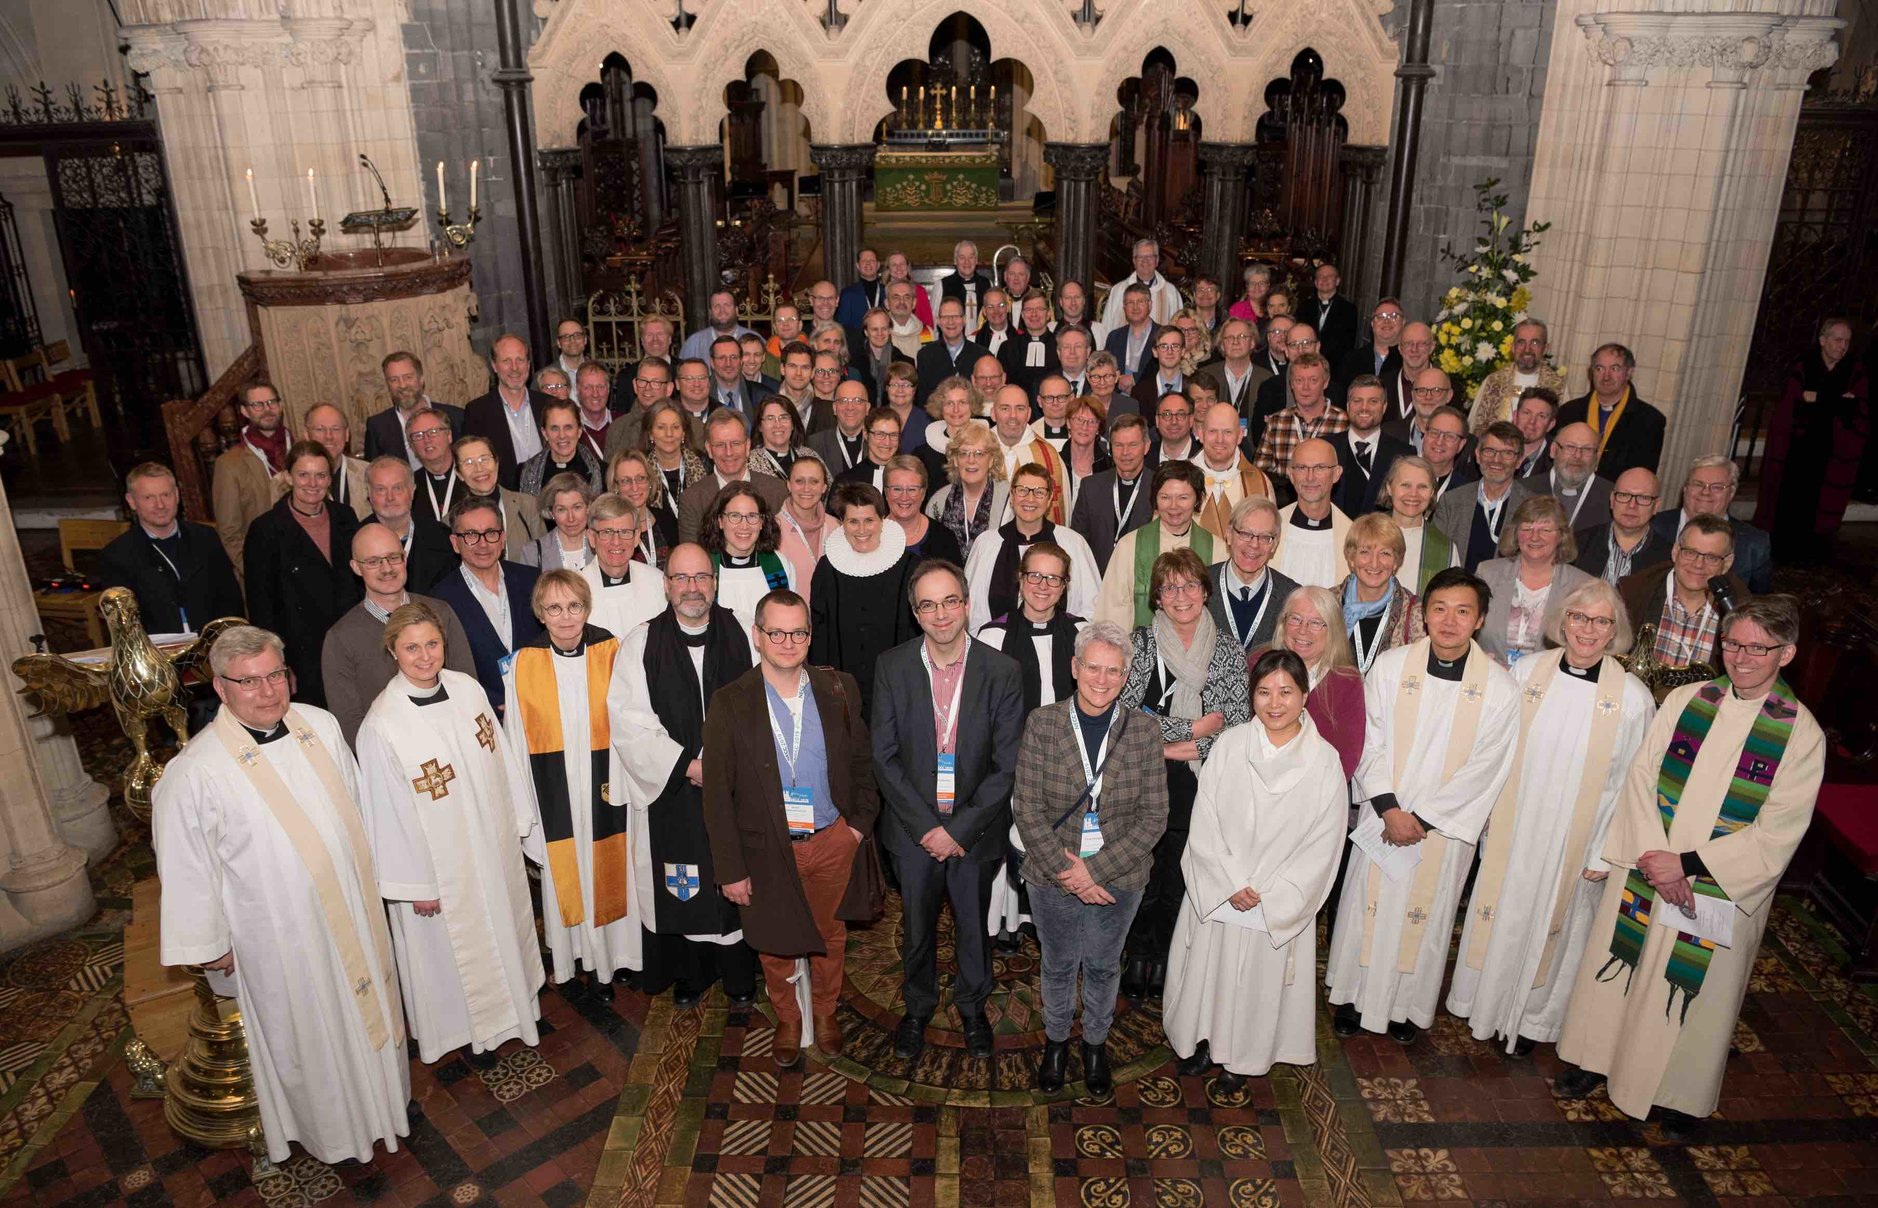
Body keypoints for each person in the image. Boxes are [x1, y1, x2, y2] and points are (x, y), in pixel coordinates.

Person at [1554, 595, 1824, 1133]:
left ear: (1786, 653)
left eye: (1757, 648)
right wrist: (1656, 857)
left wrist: (1689, 865)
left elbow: (1779, 829)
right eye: (1732, 644)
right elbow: (1642, 776)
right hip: (1650, 867)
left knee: (1693, 993)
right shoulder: (1685, 700)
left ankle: (1676, 1092)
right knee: (1622, 967)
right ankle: (1596, 1061)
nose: (1741, 658)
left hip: (1715, 885)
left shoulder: (1800, 734)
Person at [153, 625, 409, 1164]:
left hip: (354, 915)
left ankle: (386, 1107)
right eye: (249, 682)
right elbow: (186, 868)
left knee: (370, 1013)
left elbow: (360, 809)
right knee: (311, 1035)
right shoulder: (194, 772)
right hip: (281, 936)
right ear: (219, 689)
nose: (267, 691)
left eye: (275, 675)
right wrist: (211, 943)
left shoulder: (320, 725)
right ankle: (332, 1133)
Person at [1445, 580, 1655, 1055]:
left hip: (1574, 842)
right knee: (1502, 914)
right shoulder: (1525, 673)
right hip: (1515, 826)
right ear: (1561, 621)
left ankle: (1533, 1021)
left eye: (1601, 621)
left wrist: (1605, 847)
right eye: (1578, 618)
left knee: (1555, 928)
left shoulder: (1634, 699)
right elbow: (1492, 749)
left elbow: (1632, 785)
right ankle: (1484, 1004)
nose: (1587, 630)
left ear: (1615, 631)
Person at [1326, 567, 1519, 1044]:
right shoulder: (1391, 667)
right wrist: (1390, 809)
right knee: (1364, 908)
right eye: (1439, 609)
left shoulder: (1500, 689)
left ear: (1479, 621)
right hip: (1382, 817)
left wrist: (1423, 820)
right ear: (1424, 613)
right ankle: (1352, 996)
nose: (1449, 621)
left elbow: (1487, 767)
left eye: (1462, 611)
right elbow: (1367, 740)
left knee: (1425, 916)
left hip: (1441, 832)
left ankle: (1404, 1006)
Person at [355, 602, 543, 1065]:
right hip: (439, 872)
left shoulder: (467, 690)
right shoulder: (382, 726)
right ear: (393, 651)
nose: (424, 657)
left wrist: (519, 822)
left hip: (491, 845)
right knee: (451, 955)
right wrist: (417, 884)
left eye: (432, 644)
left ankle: (517, 1013)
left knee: (503, 927)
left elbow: (502, 758)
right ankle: (466, 1034)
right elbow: (386, 813)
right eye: (412, 648)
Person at [702, 588, 879, 1067]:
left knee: (831, 936)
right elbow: (717, 794)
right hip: (765, 850)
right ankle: (787, 1017)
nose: (787, 641)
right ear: (757, 636)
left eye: (797, 631)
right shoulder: (729, 703)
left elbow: (864, 765)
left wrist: (857, 830)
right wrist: (730, 869)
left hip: (831, 842)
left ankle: (824, 1012)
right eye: (775, 632)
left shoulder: (838, 688)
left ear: (809, 635)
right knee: (774, 941)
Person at [1165, 647, 1348, 1088]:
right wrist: (1230, 881)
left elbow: (1325, 842)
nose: (1275, 703)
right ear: (1252, 697)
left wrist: (1274, 891)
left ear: (1304, 695)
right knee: (1213, 967)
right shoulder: (1229, 746)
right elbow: (1204, 821)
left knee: (1256, 985)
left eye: (1286, 691)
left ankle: (1243, 1057)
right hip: (1224, 887)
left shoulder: (1324, 762)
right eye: (1264, 692)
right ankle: (1205, 1042)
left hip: (1275, 896)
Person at [871, 560, 1025, 1062]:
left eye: (950, 601)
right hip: (912, 830)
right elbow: (884, 758)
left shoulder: (1001, 671)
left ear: (966, 604)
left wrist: (957, 829)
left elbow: (1007, 765)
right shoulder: (891, 666)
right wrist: (927, 829)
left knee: (973, 927)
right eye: (928, 605)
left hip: (975, 832)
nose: (941, 614)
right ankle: (917, 1008)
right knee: (916, 929)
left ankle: (972, 1007)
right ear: (916, 614)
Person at [1012, 620, 1166, 1094]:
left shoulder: (1143, 730)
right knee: (1058, 964)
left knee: (1102, 964)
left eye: (1113, 671)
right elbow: (1026, 806)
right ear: (1075, 668)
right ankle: (1057, 1042)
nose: (1102, 680)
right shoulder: (1043, 722)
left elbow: (1155, 815)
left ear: (1126, 676)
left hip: (1119, 875)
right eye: (1093, 668)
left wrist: (1094, 870)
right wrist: (1069, 872)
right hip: (1049, 870)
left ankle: (1095, 1044)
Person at [607, 544, 760, 1007]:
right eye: (682, 578)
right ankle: (692, 974)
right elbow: (630, 721)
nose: (692, 587)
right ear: (666, 584)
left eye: (701, 578)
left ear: (714, 582)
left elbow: (761, 704)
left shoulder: (741, 632)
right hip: (674, 790)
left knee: (733, 871)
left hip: (734, 785)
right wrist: (688, 766)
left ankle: (739, 978)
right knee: (686, 878)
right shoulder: (642, 642)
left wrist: (728, 766)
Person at [1116, 548, 1252, 1000]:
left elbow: (1235, 725)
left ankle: (1166, 957)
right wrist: (1191, 728)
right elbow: (1124, 716)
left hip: (1201, 783)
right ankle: (1137, 953)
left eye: (1190, 584)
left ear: (1205, 591)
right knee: (1143, 875)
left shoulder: (1229, 650)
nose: (1180, 595)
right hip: (1142, 782)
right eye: (1169, 587)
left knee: (1179, 876)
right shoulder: (1139, 645)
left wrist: (1176, 747)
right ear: (1156, 597)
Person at [503, 569, 636, 1002]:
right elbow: (516, 740)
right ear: (540, 614)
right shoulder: (524, 664)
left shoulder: (611, 650)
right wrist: (527, 812)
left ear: (587, 608)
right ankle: (577, 959)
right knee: (570, 871)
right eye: (554, 608)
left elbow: (631, 720)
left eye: (574, 606)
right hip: (554, 793)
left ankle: (618, 958)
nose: (565, 617)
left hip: (606, 787)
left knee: (612, 870)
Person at [320, 522, 475, 745]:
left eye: (393, 557)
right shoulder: (340, 638)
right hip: (392, 760)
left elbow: (467, 686)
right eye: (373, 562)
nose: (387, 569)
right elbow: (350, 722)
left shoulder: (440, 612)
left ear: (404, 558)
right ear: (356, 567)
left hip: (455, 743)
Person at [242, 440, 363, 708]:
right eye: (303, 474)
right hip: (301, 654)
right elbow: (262, 606)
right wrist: (278, 665)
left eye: (320, 475)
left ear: (329, 479)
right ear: (288, 477)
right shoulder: (266, 530)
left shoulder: (346, 517)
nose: (312, 483)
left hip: (351, 645)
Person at [1754, 317, 1870, 562]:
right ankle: (1782, 550)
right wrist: (1837, 401)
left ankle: (1811, 553)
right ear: (1823, 340)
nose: (1843, 346)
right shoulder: (1804, 365)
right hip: (1798, 448)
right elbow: (1792, 404)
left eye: (1847, 342)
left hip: (1831, 450)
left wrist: (1817, 398)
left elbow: (1855, 409)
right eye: (1838, 340)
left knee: (1818, 507)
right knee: (1789, 501)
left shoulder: (1854, 370)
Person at [808, 482, 920, 720]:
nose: (862, 530)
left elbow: (917, 635)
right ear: (841, 524)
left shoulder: (911, 567)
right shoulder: (827, 570)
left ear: (882, 521)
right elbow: (819, 636)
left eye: (869, 520)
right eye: (853, 521)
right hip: (842, 695)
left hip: (897, 690)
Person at [97, 461, 244, 637]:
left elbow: (230, 599)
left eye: (165, 495)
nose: (160, 505)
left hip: (214, 645)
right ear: (132, 501)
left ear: (177, 495)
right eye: (149, 498)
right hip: (157, 653)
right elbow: (124, 625)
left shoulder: (206, 538)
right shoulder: (117, 555)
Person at [427, 496, 542, 713]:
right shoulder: (439, 601)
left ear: (502, 539)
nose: (482, 544)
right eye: (470, 535)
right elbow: (444, 669)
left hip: (540, 707)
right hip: (481, 716)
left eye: (490, 533)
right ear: (455, 543)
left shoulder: (533, 581)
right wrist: (488, 704)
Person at [963, 462, 1101, 632]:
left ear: (1050, 499)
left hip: (1060, 647)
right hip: (998, 649)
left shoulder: (1072, 543)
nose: (1030, 499)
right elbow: (972, 610)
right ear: (1012, 496)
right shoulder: (987, 544)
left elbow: (1091, 607)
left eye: (1039, 492)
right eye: (1022, 490)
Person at [1093, 460, 1223, 628]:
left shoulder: (1217, 549)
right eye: (1165, 497)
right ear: (1155, 499)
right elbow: (1111, 613)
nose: (1173, 506)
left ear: (1198, 500)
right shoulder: (1129, 546)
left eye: (1183, 497)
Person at [1617, 514, 1748, 672]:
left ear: (1727, 563)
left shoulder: (1741, 611)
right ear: (1675, 551)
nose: (1699, 564)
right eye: (1690, 553)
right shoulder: (1632, 593)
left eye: (1711, 557)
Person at [1475, 496, 1595, 667]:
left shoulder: (1582, 586)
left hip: (1549, 684)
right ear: (1515, 534)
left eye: (1545, 530)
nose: (1535, 537)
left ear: (1561, 536)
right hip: (1490, 676)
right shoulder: (1487, 573)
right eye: (1527, 528)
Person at [1276, 586, 1367, 780]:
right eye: (1295, 619)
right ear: (1283, 623)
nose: (1303, 630)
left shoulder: (1347, 682)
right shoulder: (1257, 665)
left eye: (1316, 623)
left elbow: (1348, 757)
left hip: (1318, 794)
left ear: (1333, 630)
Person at [1647, 455, 1773, 594]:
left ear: (1731, 493)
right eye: (1698, 484)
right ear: (1685, 488)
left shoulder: (1754, 544)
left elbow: (1759, 604)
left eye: (1717, 487)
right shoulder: (1652, 527)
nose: (1706, 492)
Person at [1433, 422, 1539, 571]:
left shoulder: (1532, 507)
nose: (1497, 460)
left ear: (1519, 461)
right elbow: (1436, 556)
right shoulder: (1451, 501)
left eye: (1507, 453)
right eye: (1490, 451)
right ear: (1478, 455)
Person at [676, 409, 789, 544]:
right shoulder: (692, 500)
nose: (728, 452)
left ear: (747, 446)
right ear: (709, 449)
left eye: (735, 444)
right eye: (720, 445)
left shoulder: (777, 491)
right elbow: (692, 557)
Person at [1555, 343, 1667, 479]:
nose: (1606, 376)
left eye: (1614, 368)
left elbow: (1642, 476)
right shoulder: (1569, 412)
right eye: (1600, 368)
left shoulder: (1649, 420)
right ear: (1592, 372)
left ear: (1629, 372)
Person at [212, 383, 288, 579]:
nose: (267, 409)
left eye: (272, 402)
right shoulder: (229, 464)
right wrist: (257, 572)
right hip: (266, 572)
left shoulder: (301, 450)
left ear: (281, 405)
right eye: (258, 405)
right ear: (245, 411)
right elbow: (229, 532)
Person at [1205, 496, 1298, 655]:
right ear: (1229, 534)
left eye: (1265, 537)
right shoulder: (1199, 585)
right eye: (1245, 533)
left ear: (1275, 544)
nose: (1254, 544)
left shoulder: (1291, 596)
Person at [700, 483, 795, 633]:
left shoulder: (779, 564)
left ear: (762, 522)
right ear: (720, 521)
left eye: (752, 516)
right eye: (735, 516)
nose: (744, 526)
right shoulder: (703, 567)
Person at [1339, 513, 1426, 675]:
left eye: (1385, 553)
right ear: (1351, 558)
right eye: (1365, 552)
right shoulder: (1328, 604)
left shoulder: (1416, 613)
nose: (1374, 562)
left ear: (1396, 562)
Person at [1069, 412, 1154, 574]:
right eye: (1119, 445)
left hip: (1142, 583)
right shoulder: (1090, 487)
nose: (1125, 452)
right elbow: (1077, 543)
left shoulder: (1160, 488)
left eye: (1133, 445)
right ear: (1110, 447)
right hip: (1096, 584)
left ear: (1147, 446)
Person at [463, 334, 550, 490]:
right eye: (506, 361)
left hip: (549, 497)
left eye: (520, 360)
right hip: (506, 501)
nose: (514, 368)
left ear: (528, 365)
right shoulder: (477, 412)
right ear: (494, 366)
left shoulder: (548, 405)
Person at [365, 456, 457, 591]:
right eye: (380, 489)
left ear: (412, 491)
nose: (390, 497)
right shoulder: (354, 540)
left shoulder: (441, 537)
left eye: (397, 488)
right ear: (369, 494)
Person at [581, 493, 667, 637]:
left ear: (637, 537)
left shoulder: (657, 581)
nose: (616, 541)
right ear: (591, 538)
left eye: (625, 532)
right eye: (607, 532)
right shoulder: (575, 588)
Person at [1271, 438, 1352, 590]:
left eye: (1320, 468)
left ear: (1336, 474)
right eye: (1301, 468)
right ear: (1291, 474)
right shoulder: (1268, 530)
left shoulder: (1352, 535)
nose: (1310, 477)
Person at [923, 421, 1009, 561]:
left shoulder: (1010, 498)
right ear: (955, 460)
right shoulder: (938, 502)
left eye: (979, 454)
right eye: (963, 453)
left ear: (991, 460)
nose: (971, 460)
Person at [1193, 401, 1279, 540]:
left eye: (1227, 432)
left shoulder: (1260, 483)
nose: (1219, 440)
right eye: (1213, 431)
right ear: (1201, 434)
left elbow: (1269, 538)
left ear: (1240, 435)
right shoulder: (1180, 478)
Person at [1254, 354, 1348, 481]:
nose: (1305, 387)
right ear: (1291, 384)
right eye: (1299, 380)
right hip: (1284, 497)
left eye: (1313, 380)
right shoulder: (1276, 422)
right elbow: (1260, 474)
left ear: (1325, 383)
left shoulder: (1343, 422)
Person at [1575, 468, 1673, 585]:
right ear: (1612, 500)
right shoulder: (1578, 544)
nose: (1632, 505)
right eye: (1624, 495)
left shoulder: (1668, 559)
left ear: (1656, 506)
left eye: (1643, 498)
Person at [455, 433, 545, 558]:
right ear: (458, 473)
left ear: (496, 463)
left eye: (484, 459)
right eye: (469, 462)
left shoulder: (528, 506)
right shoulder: (453, 520)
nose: (479, 468)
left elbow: (543, 558)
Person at [1334, 376, 1413, 517]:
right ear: (1348, 405)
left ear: (1384, 407)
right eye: (1357, 401)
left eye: (1373, 401)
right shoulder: (1326, 447)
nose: (1364, 408)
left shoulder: (1404, 454)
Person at [366, 351, 463, 465]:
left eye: (408, 377)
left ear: (421, 379)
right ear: (388, 385)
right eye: (394, 380)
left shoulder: (456, 417)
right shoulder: (378, 427)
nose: (402, 385)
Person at [1470, 318, 1567, 432]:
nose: (1527, 349)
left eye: (1534, 343)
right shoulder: (1494, 381)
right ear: (1513, 347)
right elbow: (1473, 427)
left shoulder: (1558, 387)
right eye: (1521, 342)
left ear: (1545, 349)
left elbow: (1564, 432)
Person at [1378, 456, 1456, 596]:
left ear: (1432, 493)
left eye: (1422, 487)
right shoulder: (1367, 533)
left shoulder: (1445, 548)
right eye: (1405, 485)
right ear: (1389, 488)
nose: (1413, 494)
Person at [517, 398, 605, 497]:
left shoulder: (602, 472)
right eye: (555, 428)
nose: (562, 435)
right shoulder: (524, 472)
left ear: (579, 431)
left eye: (568, 427)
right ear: (545, 433)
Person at [886, 455, 964, 563]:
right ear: (886, 492)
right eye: (897, 489)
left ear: (923, 493)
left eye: (912, 489)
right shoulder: (871, 536)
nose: (904, 497)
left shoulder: (945, 539)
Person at [301, 404, 372, 520]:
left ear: (347, 434)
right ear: (307, 435)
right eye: (320, 429)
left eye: (336, 429)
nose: (329, 436)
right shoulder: (286, 482)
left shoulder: (369, 472)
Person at [774, 452, 831, 597]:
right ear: (789, 485)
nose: (806, 488)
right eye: (799, 481)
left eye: (814, 481)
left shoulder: (836, 527)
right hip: (790, 616)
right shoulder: (772, 529)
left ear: (824, 487)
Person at [609, 448, 677, 568]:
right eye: (626, 481)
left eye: (640, 478)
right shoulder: (609, 528)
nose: (635, 487)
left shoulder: (667, 520)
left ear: (650, 482)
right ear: (616, 487)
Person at [1544, 421, 1613, 533]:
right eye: (1570, 447)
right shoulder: (1523, 488)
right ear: (1553, 450)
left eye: (1587, 449)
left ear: (1598, 457)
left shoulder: (1612, 497)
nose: (1577, 456)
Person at [1099, 239, 1184, 330]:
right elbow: (1107, 326)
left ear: (1157, 260)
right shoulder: (1119, 290)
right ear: (1134, 261)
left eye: (1150, 257)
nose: (1145, 261)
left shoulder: (1170, 292)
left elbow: (1179, 327)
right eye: (1140, 257)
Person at [639, 398, 710, 505]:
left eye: (675, 427)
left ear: (683, 433)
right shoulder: (639, 469)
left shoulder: (704, 464)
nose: (669, 434)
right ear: (650, 434)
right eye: (661, 427)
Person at [524, 473, 594, 572]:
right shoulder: (532, 552)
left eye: (577, 507)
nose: (571, 518)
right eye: (561, 510)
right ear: (551, 512)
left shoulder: (604, 544)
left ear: (588, 507)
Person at [406, 408, 465, 526]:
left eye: (433, 432)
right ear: (412, 447)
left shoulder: (471, 475)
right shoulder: (409, 485)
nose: (427, 440)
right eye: (418, 436)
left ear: (449, 435)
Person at [1299, 263, 1360, 364]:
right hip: (1307, 361)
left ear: (1337, 281)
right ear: (1315, 282)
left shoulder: (1348, 309)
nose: (1324, 279)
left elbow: (1348, 343)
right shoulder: (1304, 307)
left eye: (1329, 276)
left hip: (1336, 365)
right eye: (1321, 276)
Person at [1059, 394, 1110, 514]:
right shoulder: (1054, 462)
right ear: (1068, 423)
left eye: (1092, 421)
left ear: (1098, 428)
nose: (1084, 427)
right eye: (1079, 420)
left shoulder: (1108, 466)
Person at [679, 287, 756, 361]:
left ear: (736, 311)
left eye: (727, 305)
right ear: (710, 313)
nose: (722, 310)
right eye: (716, 306)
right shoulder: (694, 343)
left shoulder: (755, 341)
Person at [750, 396, 808, 480]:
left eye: (784, 417)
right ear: (760, 426)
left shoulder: (809, 455)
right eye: (770, 418)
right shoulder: (749, 463)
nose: (778, 425)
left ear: (793, 424)